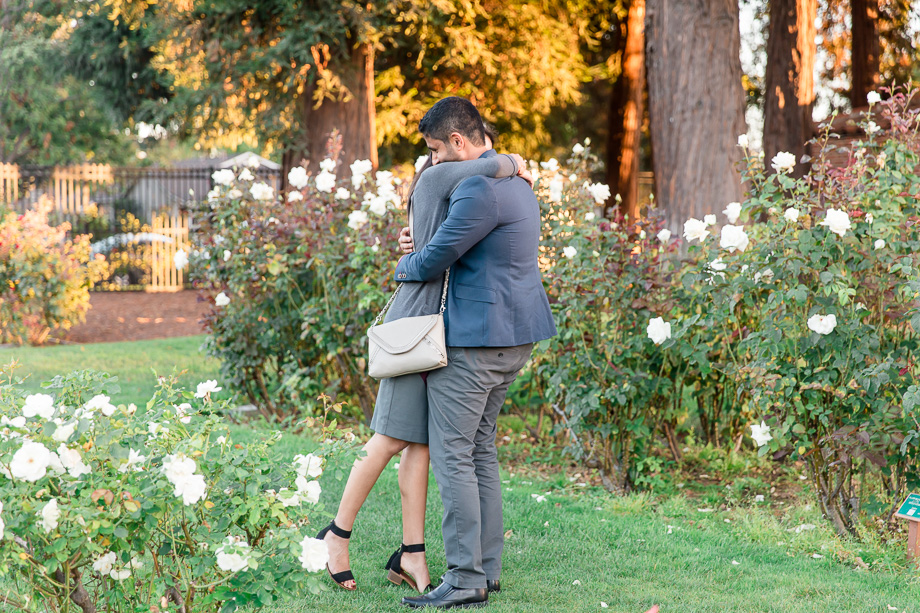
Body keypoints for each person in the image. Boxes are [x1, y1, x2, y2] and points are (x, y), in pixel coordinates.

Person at [316, 128, 531, 594]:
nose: (431, 159)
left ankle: (411, 554)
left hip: (441, 328)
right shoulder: (440, 178)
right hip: (416, 323)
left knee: (422, 444)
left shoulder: (456, 182)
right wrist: (511, 161)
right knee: (388, 437)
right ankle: (336, 533)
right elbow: (480, 167)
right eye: (433, 152)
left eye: (434, 150)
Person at [395, 97, 556, 609]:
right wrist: (420, 245)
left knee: (453, 457)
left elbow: (438, 255)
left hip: (476, 340)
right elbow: (454, 245)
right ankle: (485, 570)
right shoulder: (514, 182)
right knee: (479, 449)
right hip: (515, 332)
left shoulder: (477, 187)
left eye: (437, 151)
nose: (435, 162)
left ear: (459, 143)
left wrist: (405, 264)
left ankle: (465, 579)